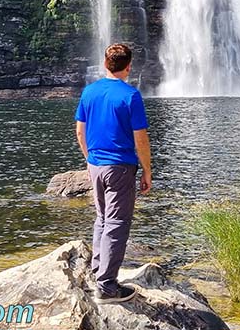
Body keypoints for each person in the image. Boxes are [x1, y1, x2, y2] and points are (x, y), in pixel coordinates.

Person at [74, 42, 152, 304]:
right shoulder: (130, 96)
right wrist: (147, 171)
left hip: (96, 164)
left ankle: (99, 272)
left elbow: (79, 131)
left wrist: (90, 160)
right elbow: (140, 138)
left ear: (106, 64)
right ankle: (107, 287)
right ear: (128, 67)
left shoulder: (89, 92)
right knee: (117, 224)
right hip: (120, 167)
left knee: (102, 219)